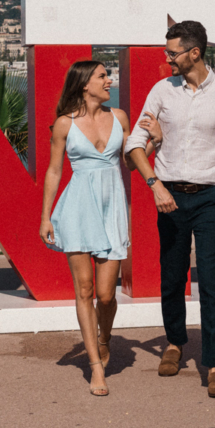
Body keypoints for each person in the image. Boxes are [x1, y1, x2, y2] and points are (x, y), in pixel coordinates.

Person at [124, 19, 215, 399]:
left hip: (210, 196)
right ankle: (174, 344)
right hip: (170, 195)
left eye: (173, 53)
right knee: (172, 276)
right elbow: (134, 143)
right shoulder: (162, 91)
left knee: (210, 281)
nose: (167, 59)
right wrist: (154, 184)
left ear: (195, 52)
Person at [39, 60, 131, 397]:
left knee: (107, 295)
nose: (110, 80)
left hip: (112, 208)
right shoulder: (64, 125)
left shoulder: (119, 118)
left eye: (108, 75)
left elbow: (131, 160)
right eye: (103, 76)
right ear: (84, 84)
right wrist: (46, 216)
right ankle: (95, 367)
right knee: (84, 290)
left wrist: (155, 142)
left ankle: (104, 337)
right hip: (78, 208)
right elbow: (53, 171)